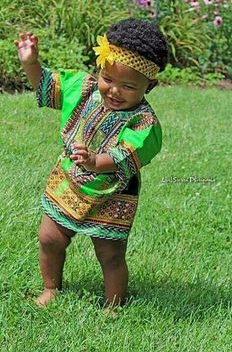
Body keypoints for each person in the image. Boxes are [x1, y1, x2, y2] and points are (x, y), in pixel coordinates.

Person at [15, 18, 168, 307]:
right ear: (99, 70)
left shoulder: (143, 121)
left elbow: (127, 153)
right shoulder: (84, 89)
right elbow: (47, 85)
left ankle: (113, 304)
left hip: (114, 192)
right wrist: (31, 63)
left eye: (128, 86)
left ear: (150, 86)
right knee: (49, 237)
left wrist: (97, 160)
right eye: (108, 79)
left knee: (109, 253)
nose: (114, 91)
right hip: (70, 179)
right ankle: (51, 289)